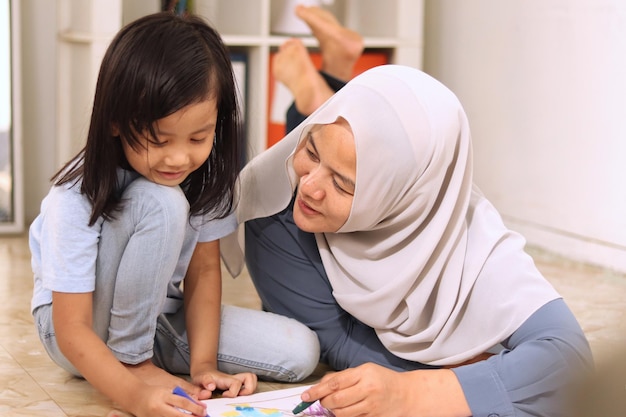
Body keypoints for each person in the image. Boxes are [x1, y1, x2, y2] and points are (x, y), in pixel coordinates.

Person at [223, 7, 594, 417]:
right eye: (309, 153)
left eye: (344, 184)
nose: (310, 186)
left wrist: (420, 390)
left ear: (401, 200)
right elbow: (336, 339)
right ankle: (318, 95)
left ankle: (325, 78)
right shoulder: (278, 211)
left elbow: (569, 358)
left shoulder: (456, 225)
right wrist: (444, 382)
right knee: (328, 140)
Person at [29, 12, 319, 417]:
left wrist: (203, 366)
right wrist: (133, 392)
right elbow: (71, 327)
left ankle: (143, 357)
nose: (179, 157)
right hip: (76, 329)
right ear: (115, 121)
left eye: (199, 137)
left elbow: (202, 273)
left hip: (155, 316)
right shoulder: (76, 193)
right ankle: (131, 362)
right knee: (162, 202)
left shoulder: (204, 177)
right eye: (158, 139)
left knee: (299, 352)